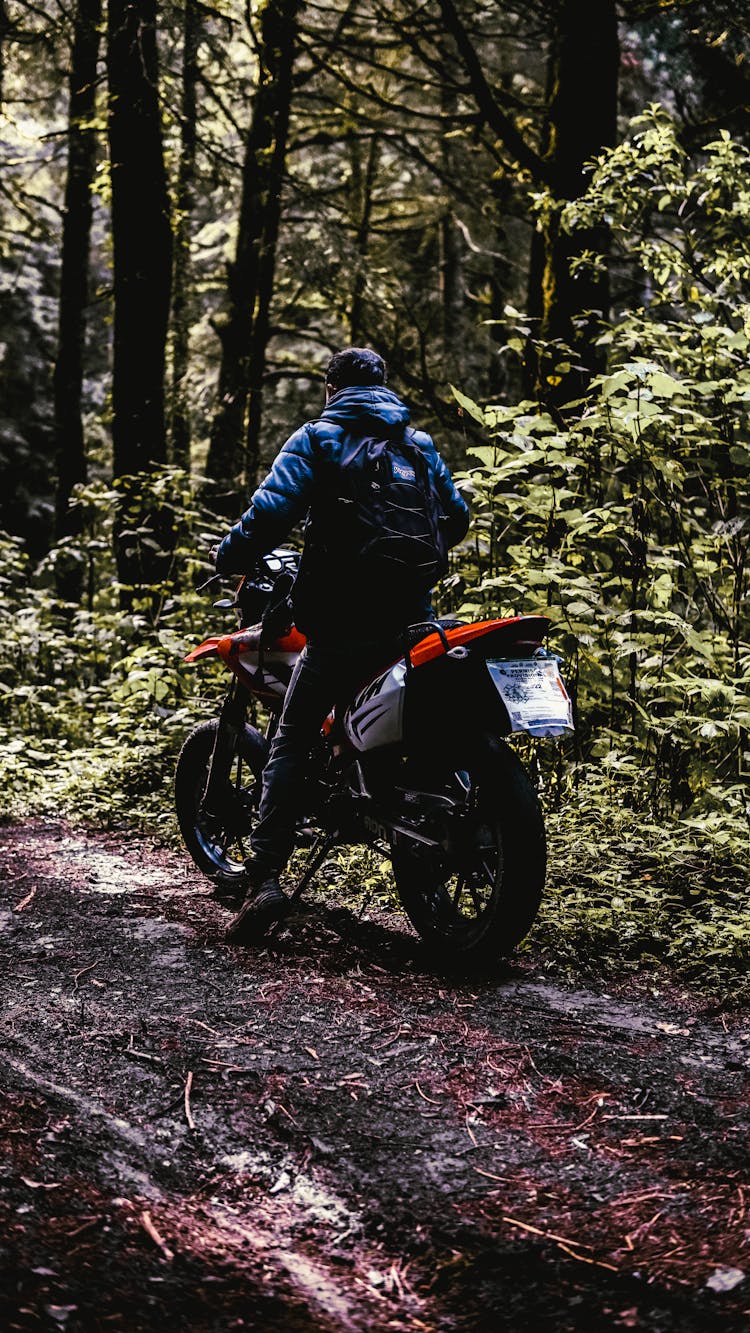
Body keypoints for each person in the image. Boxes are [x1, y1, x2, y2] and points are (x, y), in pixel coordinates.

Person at [213, 346, 470, 942]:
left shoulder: (318, 438)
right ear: (382, 388)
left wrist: (229, 557)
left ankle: (265, 883)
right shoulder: (419, 445)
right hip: (411, 619)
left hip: (338, 622)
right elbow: (454, 521)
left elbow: (267, 517)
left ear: (332, 389)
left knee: (291, 739)